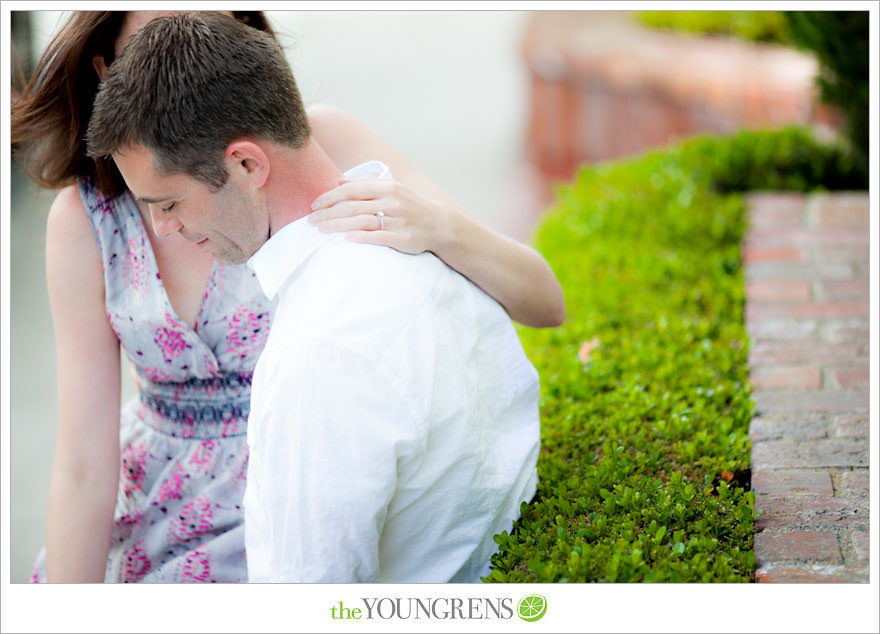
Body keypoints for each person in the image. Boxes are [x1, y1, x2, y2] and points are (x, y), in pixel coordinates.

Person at [11, 10, 562, 583]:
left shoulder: (320, 143)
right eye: (157, 45)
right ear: (106, 69)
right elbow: (82, 465)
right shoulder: (88, 222)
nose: (184, 58)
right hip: (163, 499)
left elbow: (544, 302)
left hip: (315, 474)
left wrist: (442, 228)